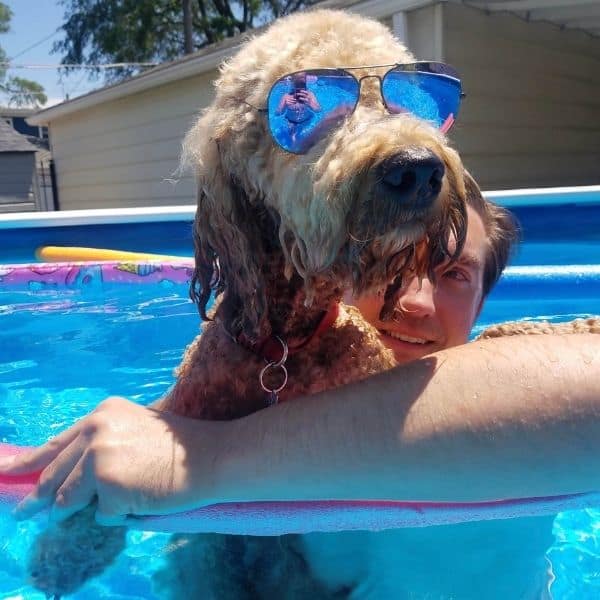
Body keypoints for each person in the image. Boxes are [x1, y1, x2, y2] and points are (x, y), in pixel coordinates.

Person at [0, 195, 598, 596]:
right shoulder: (272, 384)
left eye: (454, 276)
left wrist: (209, 460)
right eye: (389, 262)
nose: (415, 302)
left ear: (481, 302)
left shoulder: (522, 371)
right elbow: (154, 442)